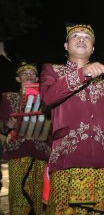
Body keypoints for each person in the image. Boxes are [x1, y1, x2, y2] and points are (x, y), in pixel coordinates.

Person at [40, 23, 104, 214]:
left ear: (93, 48)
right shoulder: (51, 71)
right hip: (67, 157)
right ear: (65, 46)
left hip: (101, 158)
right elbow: (48, 97)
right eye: (75, 36)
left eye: (87, 37)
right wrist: (83, 73)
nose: (81, 39)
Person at [0, 62, 51, 214]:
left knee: (37, 197)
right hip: (18, 151)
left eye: (32, 73)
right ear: (17, 79)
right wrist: (7, 123)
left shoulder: (47, 98)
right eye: (24, 73)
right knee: (19, 195)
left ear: (36, 77)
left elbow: (53, 124)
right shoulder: (8, 97)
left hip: (41, 151)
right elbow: (1, 124)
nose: (29, 75)